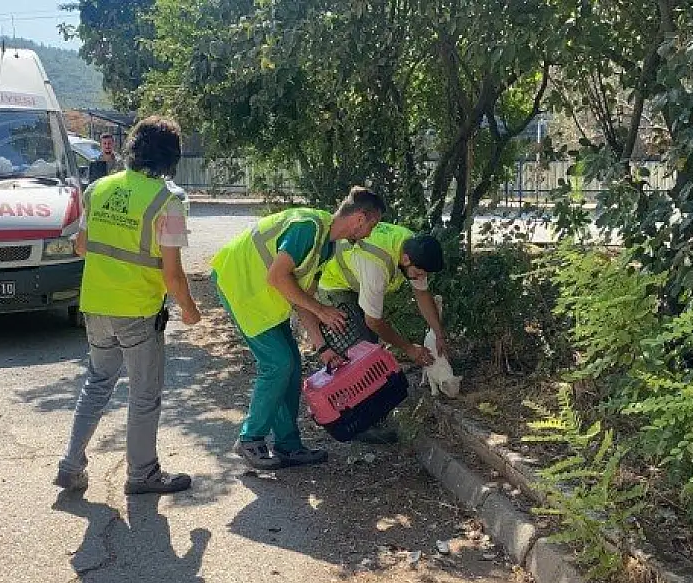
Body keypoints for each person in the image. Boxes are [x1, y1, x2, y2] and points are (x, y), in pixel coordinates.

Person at [55, 115, 202, 495]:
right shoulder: (168, 202)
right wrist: (189, 309)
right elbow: (172, 273)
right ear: (172, 157)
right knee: (143, 394)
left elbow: (81, 246)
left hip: (95, 306)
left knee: (97, 383)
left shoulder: (98, 188)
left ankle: (71, 465)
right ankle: (142, 474)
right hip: (138, 310)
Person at [211, 186, 385, 469]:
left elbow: (303, 299)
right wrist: (321, 311)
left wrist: (323, 348)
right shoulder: (308, 227)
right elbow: (278, 276)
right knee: (278, 364)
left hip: (263, 295)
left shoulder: (326, 246)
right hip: (239, 285)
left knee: (290, 365)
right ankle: (250, 439)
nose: (369, 233)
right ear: (360, 219)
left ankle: (288, 446)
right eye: (372, 225)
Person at [307, 223, 447, 442]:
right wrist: (409, 349)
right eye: (419, 273)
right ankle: (358, 423)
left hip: (358, 282)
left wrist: (439, 333)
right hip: (336, 286)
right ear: (407, 259)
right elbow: (373, 321)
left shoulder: (413, 247)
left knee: (369, 350)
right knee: (358, 354)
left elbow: (422, 294)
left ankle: (373, 411)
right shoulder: (376, 265)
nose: (421, 276)